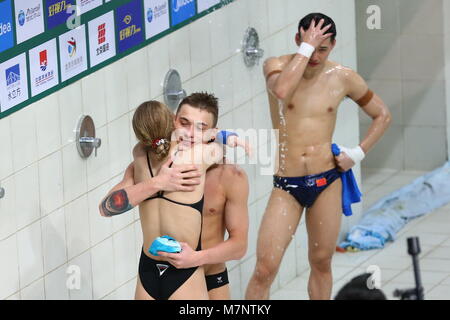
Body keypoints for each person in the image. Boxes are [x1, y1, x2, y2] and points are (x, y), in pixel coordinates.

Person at [245, 13, 392, 300]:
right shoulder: (276, 66)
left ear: (333, 45)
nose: (315, 56)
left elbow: (382, 115)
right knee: (265, 269)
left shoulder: (343, 77)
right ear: (297, 40)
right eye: (310, 46)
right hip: (287, 184)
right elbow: (282, 91)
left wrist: (358, 152)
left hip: (327, 179)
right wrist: (307, 48)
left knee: (322, 262)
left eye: (322, 49)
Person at [157, 93, 249, 300]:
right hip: (163, 275)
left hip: (210, 279)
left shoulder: (230, 177)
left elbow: (239, 246)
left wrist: (196, 258)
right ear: (173, 121)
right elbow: (109, 205)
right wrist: (155, 183)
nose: (190, 133)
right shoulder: (157, 165)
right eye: (184, 123)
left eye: (201, 128)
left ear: (213, 133)